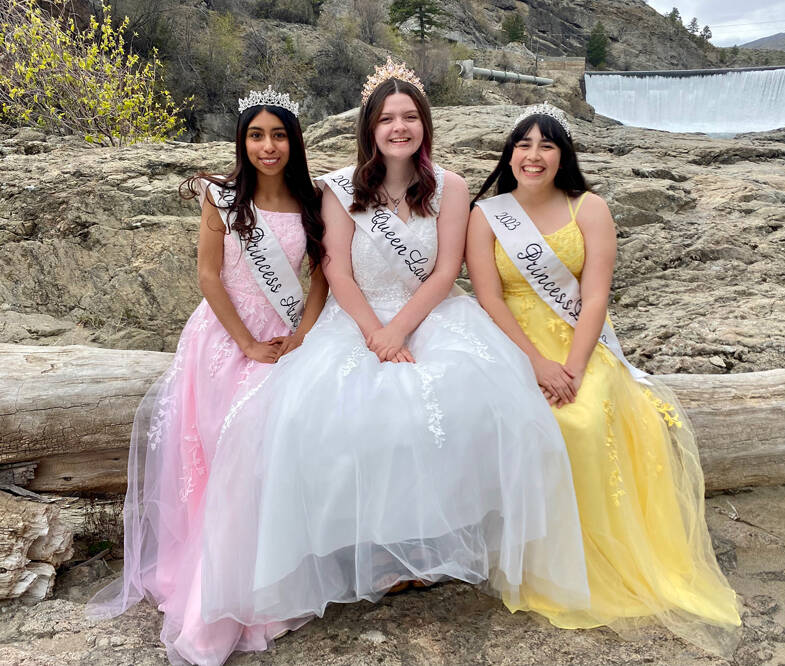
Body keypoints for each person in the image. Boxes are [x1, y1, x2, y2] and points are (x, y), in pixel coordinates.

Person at [197, 59, 590, 637]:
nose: (399, 127)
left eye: (410, 117)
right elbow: (336, 270)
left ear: (424, 124)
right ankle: (366, 550)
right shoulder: (340, 187)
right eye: (387, 118)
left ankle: (425, 546)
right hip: (354, 320)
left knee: (460, 405)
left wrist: (400, 330)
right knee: (337, 417)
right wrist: (374, 334)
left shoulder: (452, 188)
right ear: (370, 129)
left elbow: (443, 272)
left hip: (427, 316)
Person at [466, 102, 741, 655]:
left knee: (583, 422)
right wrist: (535, 364)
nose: (534, 155)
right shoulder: (486, 213)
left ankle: (593, 566)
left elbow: (593, 297)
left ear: (563, 155)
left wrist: (571, 365)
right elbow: (489, 297)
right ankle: (540, 564)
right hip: (512, 346)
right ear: (510, 154)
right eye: (524, 144)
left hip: (580, 344)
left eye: (547, 145)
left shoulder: (588, 208)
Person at [87, 86, 329, 666]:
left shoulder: (313, 200)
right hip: (222, 340)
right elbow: (209, 276)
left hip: (285, 337)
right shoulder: (222, 199)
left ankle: (261, 577)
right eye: (255, 134)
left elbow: (320, 278)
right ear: (241, 141)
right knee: (219, 456)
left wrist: (299, 339)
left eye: (278, 135)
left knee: (264, 452)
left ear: (294, 141)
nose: (267, 146)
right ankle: (214, 579)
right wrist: (246, 342)